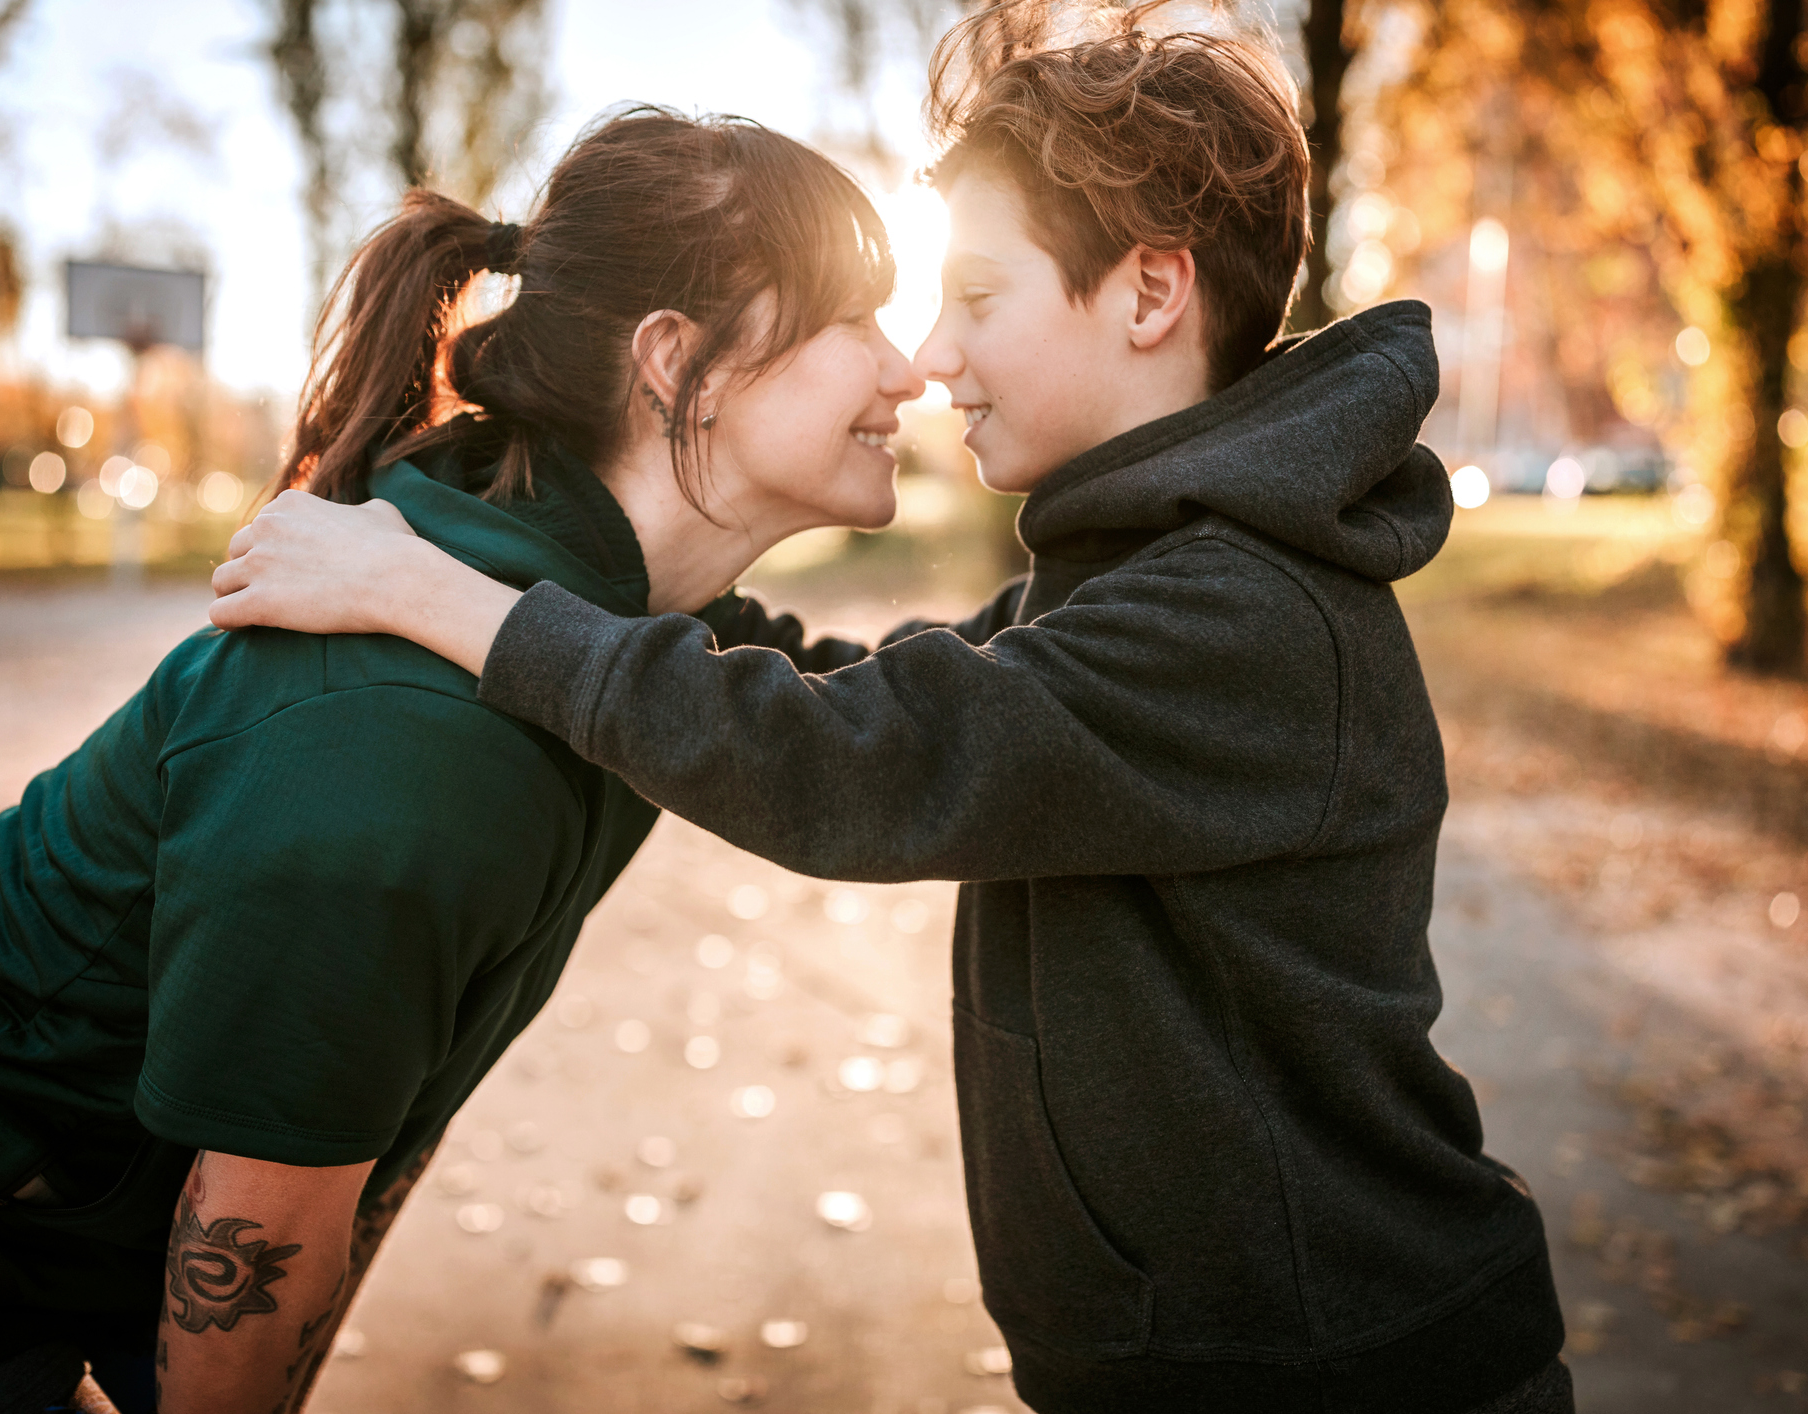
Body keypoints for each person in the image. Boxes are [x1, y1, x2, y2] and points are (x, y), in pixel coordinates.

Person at [208, 6, 1574, 1413]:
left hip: (1341, 1372)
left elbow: (855, 762)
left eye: (975, 296)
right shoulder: (1152, 575)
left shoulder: (1238, 618)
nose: (931, 353)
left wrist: (452, 603)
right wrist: (621, 576)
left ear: (1150, 295)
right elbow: (867, 684)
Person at [0, 108, 918, 1414]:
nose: (904, 370)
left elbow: (931, 712)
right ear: (679, 364)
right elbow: (260, 1230)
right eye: (854, 319)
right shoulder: (403, 747)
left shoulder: (621, 632)